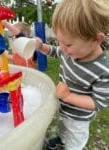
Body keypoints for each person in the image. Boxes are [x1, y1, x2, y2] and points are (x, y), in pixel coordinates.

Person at [35, 0, 109, 150]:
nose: (62, 48)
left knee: (74, 141)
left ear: (96, 39)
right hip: (64, 107)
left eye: (67, 44)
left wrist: (68, 97)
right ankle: (61, 139)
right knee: (63, 126)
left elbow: (98, 103)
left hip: (79, 119)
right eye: (59, 41)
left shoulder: (102, 70)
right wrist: (42, 47)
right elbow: (55, 51)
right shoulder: (69, 51)